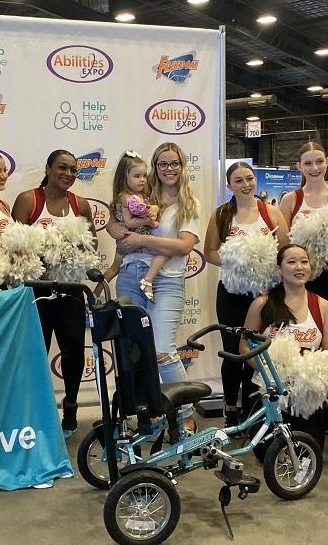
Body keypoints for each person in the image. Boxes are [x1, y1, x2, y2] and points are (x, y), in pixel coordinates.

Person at [107, 142, 200, 432]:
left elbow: (184, 246)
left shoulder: (189, 204)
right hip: (130, 276)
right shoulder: (142, 196)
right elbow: (114, 223)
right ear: (154, 167)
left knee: (161, 349)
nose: (168, 169)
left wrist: (143, 240)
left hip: (167, 281)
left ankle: (185, 414)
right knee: (133, 352)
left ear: (182, 167)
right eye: (162, 164)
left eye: (174, 163)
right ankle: (149, 414)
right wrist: (121, 233)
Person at [12, 149, 97, 433]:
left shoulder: (80, 204)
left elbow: (91, 247)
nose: (69, 174)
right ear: (48, 168)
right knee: (36, 352)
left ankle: (70, 409)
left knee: (73, 352)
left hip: (70, 291)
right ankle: (35, 412)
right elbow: (15, 249)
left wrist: (71, 252)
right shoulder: (28, 200)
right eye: (63, 167)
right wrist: (47, 251)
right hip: (37, 292)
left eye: (74, 170)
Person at [204, 161, 288, 427]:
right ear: (229, 185)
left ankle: (254, 407)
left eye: (249, 179)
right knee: (233, 353)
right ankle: (230, 408)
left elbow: (284, 253)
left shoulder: (272, 213)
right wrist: (238, 261)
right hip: (231, 294)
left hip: (264, 295)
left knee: (258, 352)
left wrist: (262, 265)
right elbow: (210, 252)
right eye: (238, 180)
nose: (245, 184)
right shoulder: (221, 215)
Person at [279, 142, 328, 433]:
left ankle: (325, 403)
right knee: (300, 339)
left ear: (327, 163)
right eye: (308, 163)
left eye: (319, 162)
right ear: (299, 166)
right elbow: (284, 244)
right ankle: (300, 403)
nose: (314, 168)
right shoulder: (291, 200)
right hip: (301, 279)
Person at [241, 244, 328, 449]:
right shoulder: (262, 304)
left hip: (306, 394)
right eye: (291, 262)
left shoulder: (323, 306)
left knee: (308, 450)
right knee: (267, 451)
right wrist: (269, 374)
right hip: (270, 390)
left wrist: (310, 377)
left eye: (304, 261)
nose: (299, 267)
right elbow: (244, 346)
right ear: (279, 269)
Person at [103, 151, 165, 298]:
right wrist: (148, 221)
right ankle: (95, 296)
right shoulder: (127, 198)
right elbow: (130, 222)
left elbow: (152, 206)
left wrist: (154, 208)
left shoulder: (140, 196)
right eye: (137, 176)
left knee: (113, 268)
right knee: (163, 253)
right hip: (131, 242)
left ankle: (96, 293)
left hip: (132, 243)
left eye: (144, 176)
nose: (143, 180)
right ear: (125, 177)